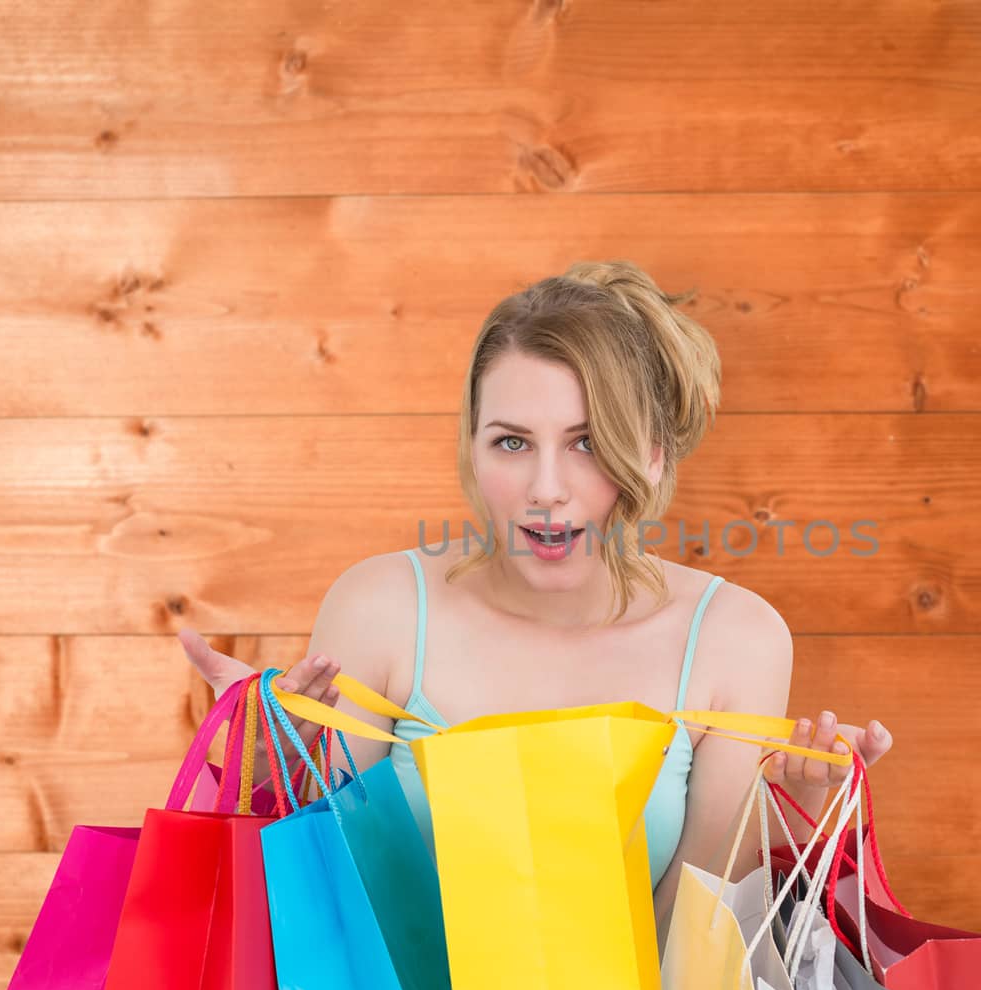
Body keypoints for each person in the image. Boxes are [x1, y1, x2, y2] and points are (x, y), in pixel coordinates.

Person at [177, 259, 894, 943]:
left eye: (586, 442)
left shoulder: (735, 639)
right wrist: (268, 775)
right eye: (513, 442)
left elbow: (695, 945)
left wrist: (797, 823)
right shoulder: (381, 610)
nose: (546, 487)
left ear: (651, 453)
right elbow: (332, 914)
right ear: (474, 449)